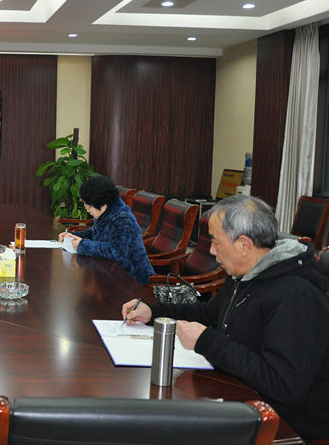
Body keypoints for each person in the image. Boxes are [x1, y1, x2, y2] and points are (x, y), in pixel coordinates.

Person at [122, 195, 329, 441]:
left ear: (244, 245)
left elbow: (282, 384)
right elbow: (209, 314)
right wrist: (154, 312)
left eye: (215, 241)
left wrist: (207, 341)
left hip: (285, 425)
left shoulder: (296, 296)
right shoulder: (244, 272)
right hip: (242, 394)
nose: (211, 250)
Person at [59, 175, 153, 284]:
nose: (87, 210)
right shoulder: (105, 212)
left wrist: (82, 245)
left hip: (131, 278)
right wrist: (73, 235)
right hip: (110, 271)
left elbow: (116, 251)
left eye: (89, 206)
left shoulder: (123, 219)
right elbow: (94, 232)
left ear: (103, 204)